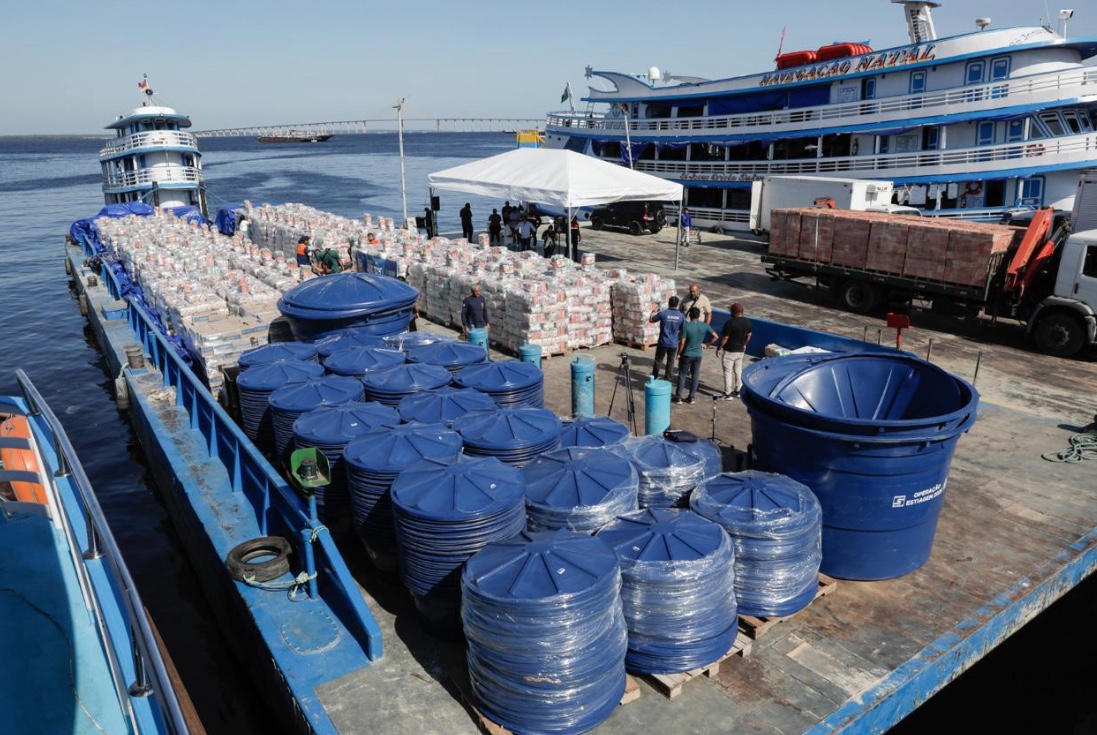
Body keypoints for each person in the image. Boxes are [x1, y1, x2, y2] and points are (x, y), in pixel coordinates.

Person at [673, 307, 719, 405]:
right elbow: (716, 336)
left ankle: (678, 397)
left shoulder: (686, 326)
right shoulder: (705, 326)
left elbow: (682, 342)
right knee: (695, 376)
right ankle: (692, 397)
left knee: (682, 375)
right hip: (698, 355)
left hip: (687, 354)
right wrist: (706, 344)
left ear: (689, 316)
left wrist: (678, 354)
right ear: (699, 316)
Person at [715, 302, 752, 399]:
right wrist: (744, 344)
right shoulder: (747, 322)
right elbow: (749, 335)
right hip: (740, 351)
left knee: (728, 372)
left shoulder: (730, 323)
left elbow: (725, 338)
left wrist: (720, 347)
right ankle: (738, 391)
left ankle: (727, 393)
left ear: (733, 312)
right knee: (738, 370)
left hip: (730, 351)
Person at [650, 295, 685, 382]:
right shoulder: (681, 316)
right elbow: (683, 328)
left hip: (663, 342)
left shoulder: (663, 313)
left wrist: (653, 312)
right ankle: (668, 378)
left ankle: (654, 376)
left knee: (658, 360)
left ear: (669, 303)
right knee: (671, 361)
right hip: (674, 343)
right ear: (677, 304)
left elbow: (651, 320)